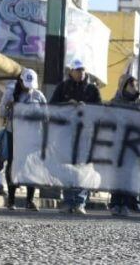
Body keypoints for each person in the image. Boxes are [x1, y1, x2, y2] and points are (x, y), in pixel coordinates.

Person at [50, 59, 102, 215]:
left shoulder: (93, 90)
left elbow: (100, 111)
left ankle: (80, 202)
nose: (81, 73)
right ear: (71, 71)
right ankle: (67, 200)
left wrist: (87, 108)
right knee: (67, 167)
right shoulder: (62, 87)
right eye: (78, 70)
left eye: (83, 70)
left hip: (85, 134)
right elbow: (52, 106)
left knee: (83, 168)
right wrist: (67, 104)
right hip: (65, 134)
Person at [0, 68, 47, 211]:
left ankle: (29, 200)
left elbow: (47, 115)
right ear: (20, 81)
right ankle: (11, 200)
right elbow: (1, 112)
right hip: (14, 133)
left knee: (31, 164)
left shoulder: (39, 96)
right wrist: (10, 106)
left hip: (33, 135)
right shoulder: (10, 93)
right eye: (26, 84)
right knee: (13, 163)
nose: (28, 88)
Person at [108, 74, 140, 217]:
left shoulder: (139, 103)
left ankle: (127, 203)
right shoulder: (114, 102)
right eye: (131, 85)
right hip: (118, 143)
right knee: (117, 174)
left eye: (135, 85)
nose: (134, 87)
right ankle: (115, 203)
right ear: (123, 85)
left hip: (133, 145)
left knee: (130, 174)